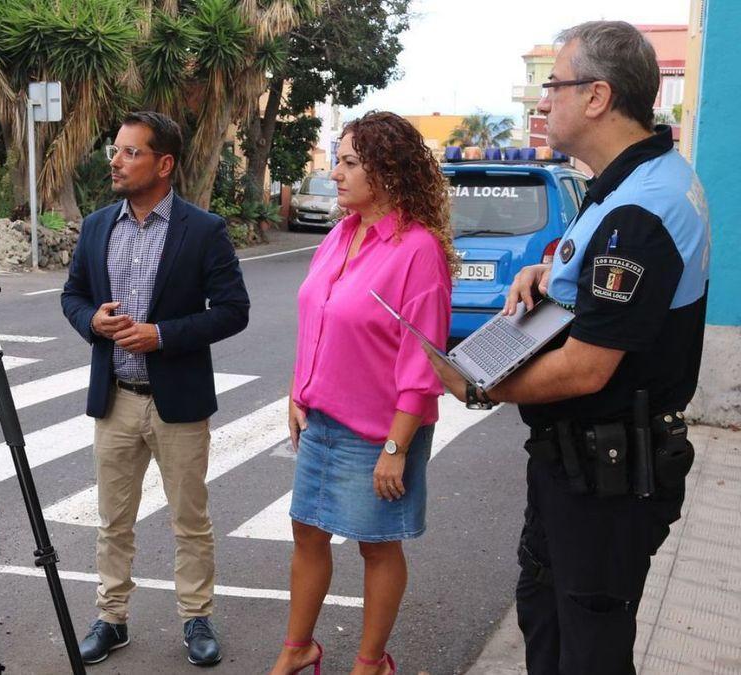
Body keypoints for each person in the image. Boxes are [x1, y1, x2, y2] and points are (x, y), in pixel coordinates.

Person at [426, 21, 709, 674]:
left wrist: (478, 383)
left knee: (587, 652)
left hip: (605, 479)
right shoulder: (631, 181)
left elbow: (585, 367)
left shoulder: (641, 209)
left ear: (598, 96)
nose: (543, 100)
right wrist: (549, 276)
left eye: (554, 84)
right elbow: (607, 289)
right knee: (550, 622)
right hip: (583, 469)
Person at [60, 111, 250, 667]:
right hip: (114, 398)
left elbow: (233, 311)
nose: (114, 161)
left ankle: (196, 617)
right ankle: (111, 619)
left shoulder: (203, 230)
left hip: (178, 404)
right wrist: (91, 321)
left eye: (130, 152)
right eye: (114, 150)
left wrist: (163, 335)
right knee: (112, 520)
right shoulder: (97, 226)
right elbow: (72, 296)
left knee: (189, 519)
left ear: (164, 164)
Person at [270, 111, 457, 675]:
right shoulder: (340, 234)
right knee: (307, 530)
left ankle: (370, 661)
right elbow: (317, 318)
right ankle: (297, 648)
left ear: (388, 171)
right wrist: (296, 390)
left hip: (378, 430)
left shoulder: (416, 250)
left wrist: (396, 448)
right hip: (321, 418)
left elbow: (421, 363)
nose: (336, 173)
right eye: (339, 160)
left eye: (351, 162)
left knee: (376, 545)